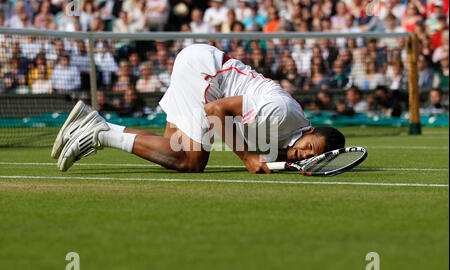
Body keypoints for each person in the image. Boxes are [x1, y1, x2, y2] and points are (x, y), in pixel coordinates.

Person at [53, 44, 345, 174]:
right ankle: (101, 133)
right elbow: (216, 110)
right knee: (191, 161)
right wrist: (247, 158)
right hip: (206, 73)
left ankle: (92, 124)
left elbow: (271, 148)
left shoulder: (289, 135)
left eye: (311, 157)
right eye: (310, 146)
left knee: (171, 149)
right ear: (311, 131)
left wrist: (271, 158)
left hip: (202, 63)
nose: (305, 154)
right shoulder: (282, 113)